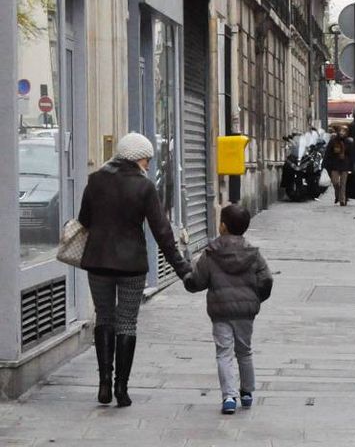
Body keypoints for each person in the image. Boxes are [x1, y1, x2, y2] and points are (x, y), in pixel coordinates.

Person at [78, 132, 191, 407]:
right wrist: (182, 269)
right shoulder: (144, 186)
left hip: (98, 262)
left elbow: (84, 219)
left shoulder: (95, 180)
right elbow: (162, 231)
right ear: (137, 157)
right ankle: (121, 389)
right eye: (147, 159)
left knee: (104, 318)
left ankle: (104, 383)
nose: (149, 164)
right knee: (127, 322)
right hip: (132, 265)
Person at [183, 204, 273, 415]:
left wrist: (187, 278)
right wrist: (256, 298)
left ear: (222, 226)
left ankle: (229, 397)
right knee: (245, 351)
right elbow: (266, 278)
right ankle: (248, 393)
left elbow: (197, 280)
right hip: (245, 313)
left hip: (221, 312)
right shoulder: (253, 253)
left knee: (224, 353)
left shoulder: (212, 253)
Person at [325, 126, 352, 206]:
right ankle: (337, 194)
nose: (342, 133)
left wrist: (352, 164)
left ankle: (342, 200)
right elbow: (328, 152)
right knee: (335, 182)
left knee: (343, 183)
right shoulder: (333, 141)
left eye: (344, 131)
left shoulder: (348, 142)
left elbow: (351, 154)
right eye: (341, 131)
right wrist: (325, 163)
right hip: (335, 164)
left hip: (345, 164)